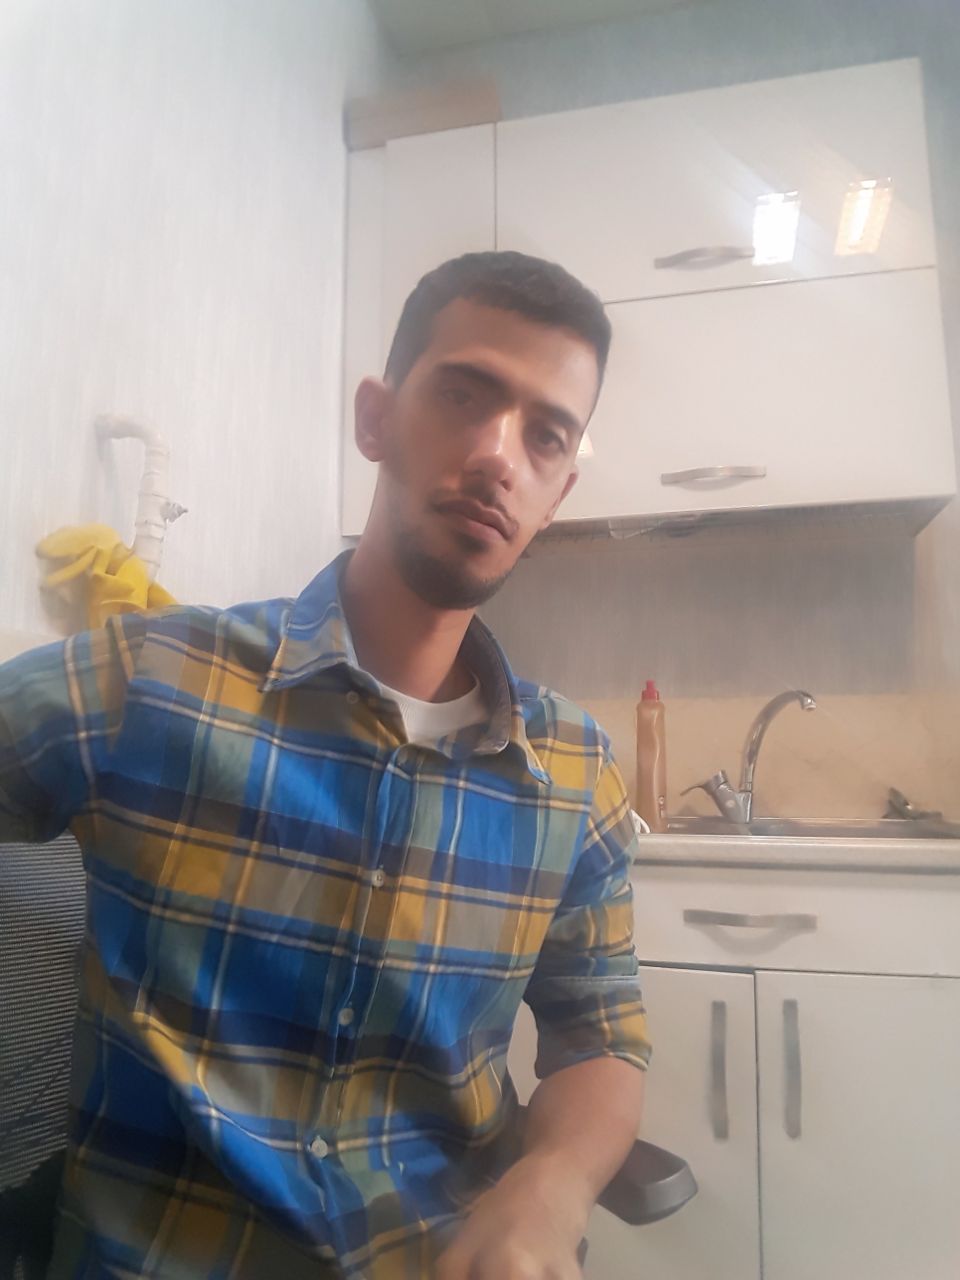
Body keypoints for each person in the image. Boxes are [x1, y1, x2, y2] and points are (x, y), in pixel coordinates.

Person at [0, 251, 650, 1280]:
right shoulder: (152, 681)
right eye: (464, 395)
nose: (498, 456)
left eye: (545, 435)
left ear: (558, 492)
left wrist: (554, 1181)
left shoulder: (576, 777)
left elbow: (600, 1035)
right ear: (375, 420)